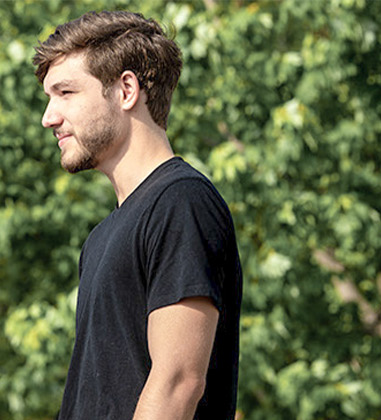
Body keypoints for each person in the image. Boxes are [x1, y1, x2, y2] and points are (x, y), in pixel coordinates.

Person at [34, 11, 243, 420]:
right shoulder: (103, 236)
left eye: (65, 93)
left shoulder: (181, 202)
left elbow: (178, 382)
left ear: (126, 89)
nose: (49, 117)